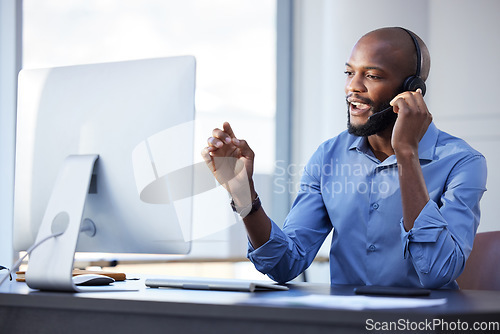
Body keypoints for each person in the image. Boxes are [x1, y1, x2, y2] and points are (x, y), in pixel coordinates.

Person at [201, 27, 487, 289]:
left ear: (412, 90)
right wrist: (244, 196)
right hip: (346, 324)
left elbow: (438, 272)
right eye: (350, 73)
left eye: (372, 76)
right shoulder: (328, 156)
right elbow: (285, 264)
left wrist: (407, 154)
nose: (354, 87)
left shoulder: (462, 163)